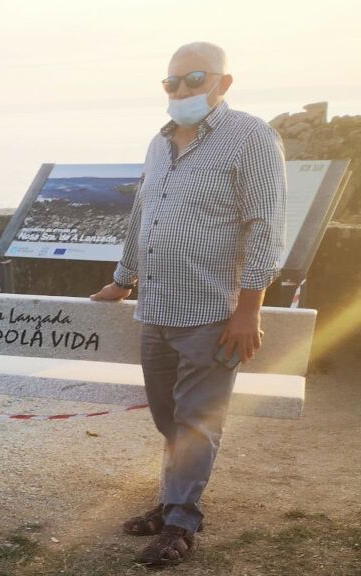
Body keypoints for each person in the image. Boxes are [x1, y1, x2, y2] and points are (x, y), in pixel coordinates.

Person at [90, 42, 286, 568]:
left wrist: (250, 308)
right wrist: (122, 279)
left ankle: (181, 520)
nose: (181, 91)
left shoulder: (251, 138)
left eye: (193, 79)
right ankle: (172, 500)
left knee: (197, 421)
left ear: (222, 82)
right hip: (155, 309)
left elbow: (264, 226)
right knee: (169, 418)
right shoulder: (158, 144)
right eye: (171, 83)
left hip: (212, 312)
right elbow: (141, 215)